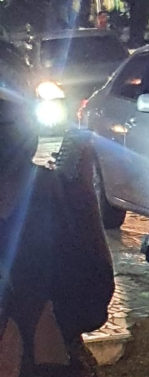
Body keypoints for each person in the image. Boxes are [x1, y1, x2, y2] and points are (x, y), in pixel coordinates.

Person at [0, 40, 114, 377]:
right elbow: (92, 305)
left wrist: (83, 188)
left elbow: (92, 303)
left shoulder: (56, 191)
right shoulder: (56, 190)